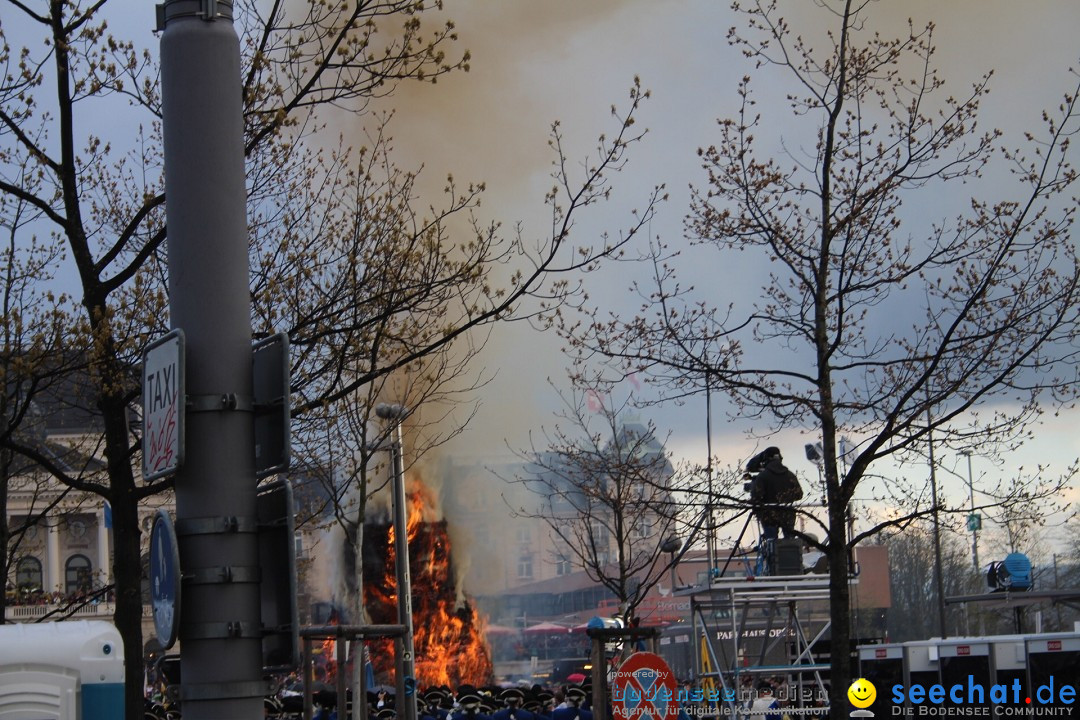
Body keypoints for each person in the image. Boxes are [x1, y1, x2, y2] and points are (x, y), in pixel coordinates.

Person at [747, 447, 802, 540]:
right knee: (790, 543)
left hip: (768, 515)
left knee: (771, 543)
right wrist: (786, 499)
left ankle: (773, 553)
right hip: (788, 514)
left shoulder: (763, 476)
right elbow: (799, 494)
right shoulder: (790, 475)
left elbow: (756, 497)